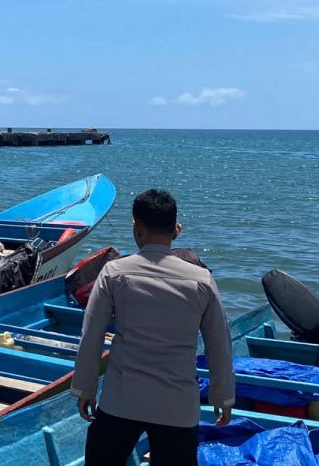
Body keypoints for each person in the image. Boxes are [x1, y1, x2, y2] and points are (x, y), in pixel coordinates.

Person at [71, 188, 235, 466]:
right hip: (178, 406)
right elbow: (219, 344)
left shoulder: (113, 272)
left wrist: (84, 388)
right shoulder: (202, 280)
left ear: (137, 228)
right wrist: (223, 395)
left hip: (121, 400)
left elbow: (92, 335)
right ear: (175, 230)